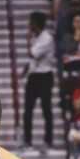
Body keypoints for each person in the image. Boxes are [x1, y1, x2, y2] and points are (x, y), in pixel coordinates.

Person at [21, 11, 55, 149]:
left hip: (45, 76)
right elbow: (31, 60)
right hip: (33, 75)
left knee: (46, 108)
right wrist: (24, 72)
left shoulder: (46, 38)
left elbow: (33, 54)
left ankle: (48, 140)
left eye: (31, 22)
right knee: (28, 108)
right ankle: (27, 139)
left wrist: (27, 40)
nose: (29, 25)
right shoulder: (36, 37)